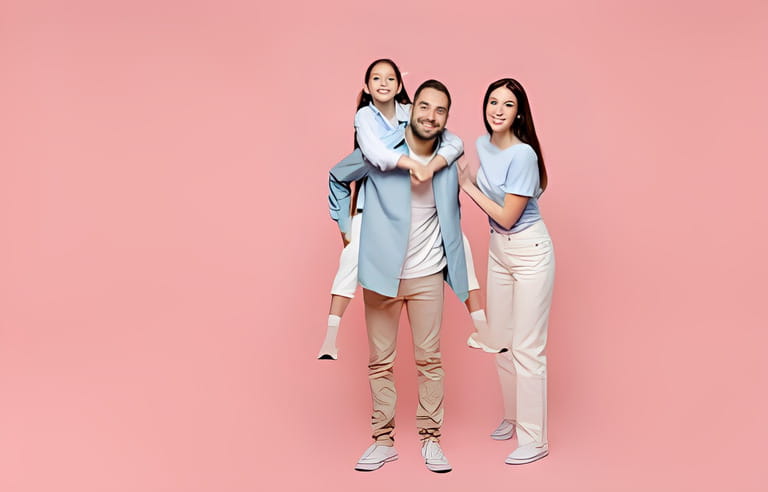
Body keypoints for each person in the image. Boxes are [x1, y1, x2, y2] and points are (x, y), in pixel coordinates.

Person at [318, 59, 498, 360]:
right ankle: (329, 339)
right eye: (376, 78)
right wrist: (345, 226)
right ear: (366, 86)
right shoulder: (367, 121)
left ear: (402, 88)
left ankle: (484, 329)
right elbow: (370, 156)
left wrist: (435, 165)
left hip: (418, 251)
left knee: (460, 250)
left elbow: (453, 140)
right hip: (372, 213)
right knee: (350, 261)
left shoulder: (414, 118)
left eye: (391, 78)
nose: (384, 83)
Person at [329, 80, 466, 473]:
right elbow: (338, 175)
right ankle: (383, 440)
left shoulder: (449, 156)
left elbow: (461, 163)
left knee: (430, 361)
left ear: (446, 118)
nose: (430, 116)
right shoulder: (381, 153)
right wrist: (346, 229)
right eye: (424, 107)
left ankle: (431, 440)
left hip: (427, 274)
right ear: (412, 108)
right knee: (380, 362)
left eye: (440, 110)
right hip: (381, 275)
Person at [458, 78, 555, 465]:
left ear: (519, 112)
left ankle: (536, 439)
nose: (498, 109)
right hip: (499, 250)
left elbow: (509, 216)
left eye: (508, 104)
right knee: (502, 339)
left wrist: (467, 186)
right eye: (493, 101)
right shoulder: (486, 146)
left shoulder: (524, 155)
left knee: (528, 348)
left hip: (530, 250)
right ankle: (514, 417)